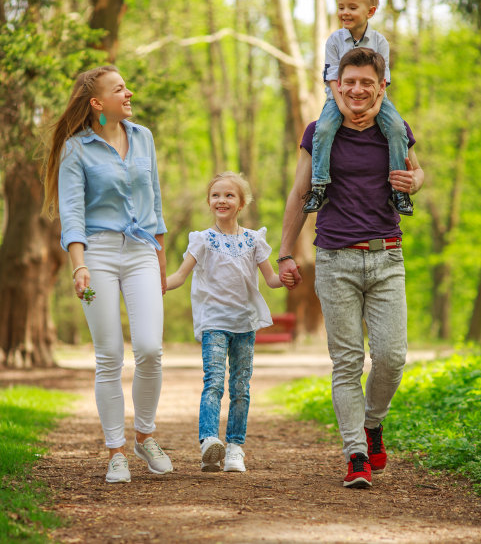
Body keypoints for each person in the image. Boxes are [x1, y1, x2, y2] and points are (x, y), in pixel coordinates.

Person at [278, 48, 424, 488]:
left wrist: (415, 180)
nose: (357, 90)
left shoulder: (394, 130)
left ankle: (372, 422)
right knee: (346, 363)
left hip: (387, 257)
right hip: (336, 258)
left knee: (392, 357)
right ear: (336, 86)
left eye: (367, 83)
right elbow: (300, 192)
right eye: (350, 82)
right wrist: (285, 251)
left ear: (381, 87)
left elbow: (417, 173)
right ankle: (355, 454)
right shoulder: (318, 133)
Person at [43, 65, 173, 484]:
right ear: (98, 103)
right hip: (96, 255)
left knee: (151, 349)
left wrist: (161, 259)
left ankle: (145, 435)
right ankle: (115, 450)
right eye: (120, 89)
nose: (129, 93)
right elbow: (72, 215)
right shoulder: (76, 149)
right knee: (109, 355)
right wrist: (78, 265)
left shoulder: (143, 138)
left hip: (140, 251)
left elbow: (154, 201)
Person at [166, 172, 293, 473]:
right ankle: (210, 441)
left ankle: (235, 447)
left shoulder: (253, 240)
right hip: (214, 322)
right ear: (209, 202)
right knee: (213, 381)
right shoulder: (203, 240)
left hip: (245, 323)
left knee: (240, 386)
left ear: (241, 203)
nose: (221, 200)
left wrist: (286, 278)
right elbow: (180, 276)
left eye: (229, 195)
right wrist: (154, 283)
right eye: (215, 195)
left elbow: (271, 280)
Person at [303, 0, 413, 217]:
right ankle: (319, 186)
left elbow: (384, 81)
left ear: (370, 12)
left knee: (396, 127)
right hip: (337, 98)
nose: (345, 12)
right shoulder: (334, 40)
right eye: (341, 7)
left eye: (352, 8)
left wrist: (374, 110)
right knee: (322, 129)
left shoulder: (379, 42)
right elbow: (332, 77)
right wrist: (342, 107)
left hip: (376, 99)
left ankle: (399, 191)